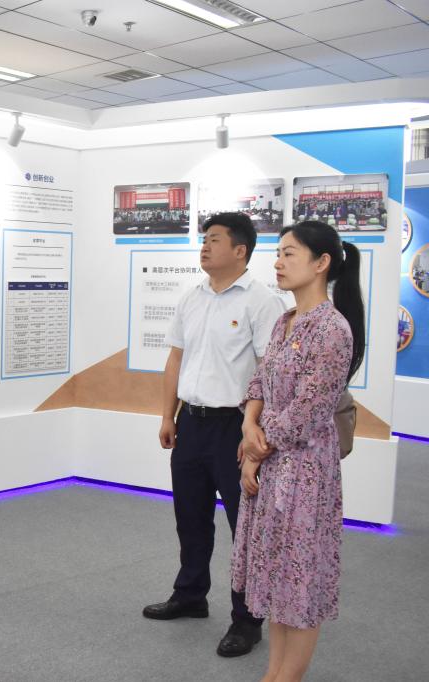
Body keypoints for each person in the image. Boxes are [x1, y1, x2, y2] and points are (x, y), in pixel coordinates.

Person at [144, 213, 285, 658]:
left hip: (235, 427)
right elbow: (175, 360)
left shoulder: (261, 302)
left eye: (215, 240)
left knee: (244, 526)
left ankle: (247, 618)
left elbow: (269, 372)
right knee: (190, 516)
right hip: (192, 422)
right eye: (204, 239)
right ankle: (190, 594)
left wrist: (254, 430)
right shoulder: (193, 297)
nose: (205, 247)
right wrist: (168, 416)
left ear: (240, 250)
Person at [233, 221, 364, 681]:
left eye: (289, 253)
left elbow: (308, 411)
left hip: (304, 473)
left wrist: (255, 451)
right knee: (277, 578)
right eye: (279, 253)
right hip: (271, 465)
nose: (278, 262)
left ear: (321, 262)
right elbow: (259, 379)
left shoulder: (332, 329)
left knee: (300, 581)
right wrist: (248, 423)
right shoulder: (284, 321)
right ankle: (273, 674)